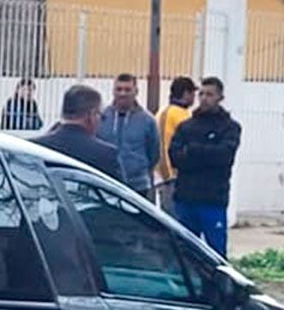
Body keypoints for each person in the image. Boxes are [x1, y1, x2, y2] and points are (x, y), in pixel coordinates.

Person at [167, 77, 243, 256]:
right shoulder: (186, 127)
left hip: (213, 200)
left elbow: (224, 156)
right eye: (201, 94)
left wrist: (193, 151)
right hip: (185, 199)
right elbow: (175, 157)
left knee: (215, 254)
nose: (204, 98)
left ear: (220, 97)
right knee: (184, 253)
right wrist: (206, 153)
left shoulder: (230, 128)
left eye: (209, 94)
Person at [33, 84, 122, 178]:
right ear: (91, 115)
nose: (101, 122)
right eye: (101, 116)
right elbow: (119, 187)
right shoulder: (106, 154)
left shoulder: (35, 148)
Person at [101, 72, 160, 199]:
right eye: (119, 89)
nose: (123, 93)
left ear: (136, 91)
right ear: (113, 91)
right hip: (106, 183)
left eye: (127, 90)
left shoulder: (148, 120)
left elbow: (154, 153)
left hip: (138, 186)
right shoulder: (102, 117)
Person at [154, 75, 198, 206]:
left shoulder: (182, 113)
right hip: (172, 179)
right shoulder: (171, 114)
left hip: (183, 177)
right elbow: (163, 146)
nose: (195, 98)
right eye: (193, 93)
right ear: (186, 93)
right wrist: (167, 176)